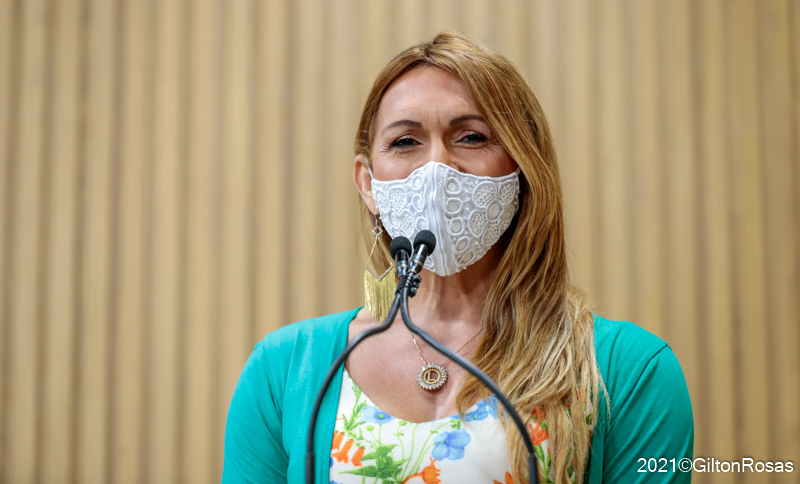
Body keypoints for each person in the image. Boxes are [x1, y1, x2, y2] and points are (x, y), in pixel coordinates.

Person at [222, 32, 693, 483]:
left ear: (523, 167)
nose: (436, 167)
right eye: (405, 141)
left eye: (471, 137)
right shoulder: (283, 370)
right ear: (368, 184)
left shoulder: (630, 372)